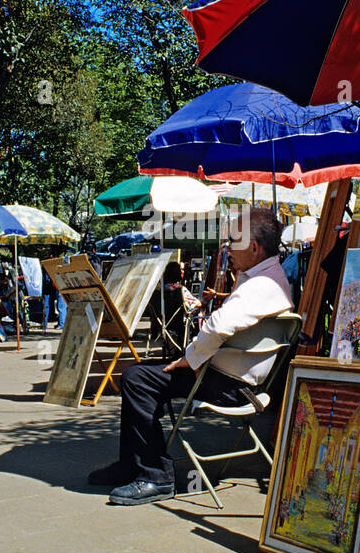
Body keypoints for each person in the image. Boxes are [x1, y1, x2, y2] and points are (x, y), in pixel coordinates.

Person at [88, 208, 294, 506]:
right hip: (233, 380)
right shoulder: (269, 277)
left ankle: (155, 476)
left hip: (229, 386)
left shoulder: (263, 285)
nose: (227, 247)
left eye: (233, 240)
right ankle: (134, 462)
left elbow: (219, 324)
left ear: (253, 247)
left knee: (137, 379)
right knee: (146, 374)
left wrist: (192, 357)